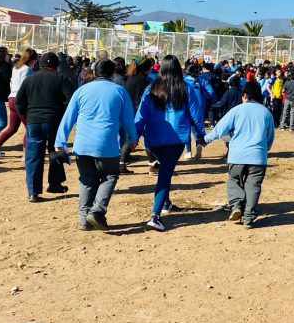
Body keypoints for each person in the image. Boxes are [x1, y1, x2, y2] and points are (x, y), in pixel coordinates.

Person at [56, 59, 138, 231]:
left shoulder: (81, 91)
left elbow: (68, 117)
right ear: (112, 74)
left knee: (87, 180)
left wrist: (60, 141)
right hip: (106, 145)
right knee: (110, 176)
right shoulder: (120, 92)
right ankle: (97, 211)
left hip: (83, 144)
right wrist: (132, 138)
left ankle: (83, 220)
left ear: (95, 72)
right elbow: (128, 120)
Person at [134, 55, 206, 232]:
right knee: (165, 175)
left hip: (153, 139)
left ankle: (165, 203)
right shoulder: (185, 88)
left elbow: (141, 114)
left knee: (165, 170)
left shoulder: (151, 88)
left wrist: (135, 136)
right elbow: (195, 114)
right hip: (175, 139)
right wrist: (200, 136)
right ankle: (155, 216)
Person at [202, 81, 275, 228]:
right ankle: (248, 217)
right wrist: (264, 149)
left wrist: (205, 140)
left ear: (245, 96)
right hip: (258, 157)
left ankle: (236, 206)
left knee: (234, 180)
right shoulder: (266, 112)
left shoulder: (237, 110)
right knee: (253, 185)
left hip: (236, 155)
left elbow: (220, 129)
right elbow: (270, 136)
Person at [12, 52, 76, 200]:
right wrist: (64, 115)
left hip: (34, 121)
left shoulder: (30, 79)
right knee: (55, 152)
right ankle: (55, 184)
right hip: (54, 121)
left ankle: (33, 192)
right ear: (56, 65)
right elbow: (71, 99)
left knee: (33, 156)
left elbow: (19, 102)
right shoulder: (60, 78)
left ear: (40, 64)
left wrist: (27, 117)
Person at [0, 48, 37, 162]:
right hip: (21, 100)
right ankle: (25, 155)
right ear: (32, 60)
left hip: (12, 99)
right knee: (29, 128)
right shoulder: (28, 70)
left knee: (12, 128)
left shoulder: (16, 68)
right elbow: (26, 87)